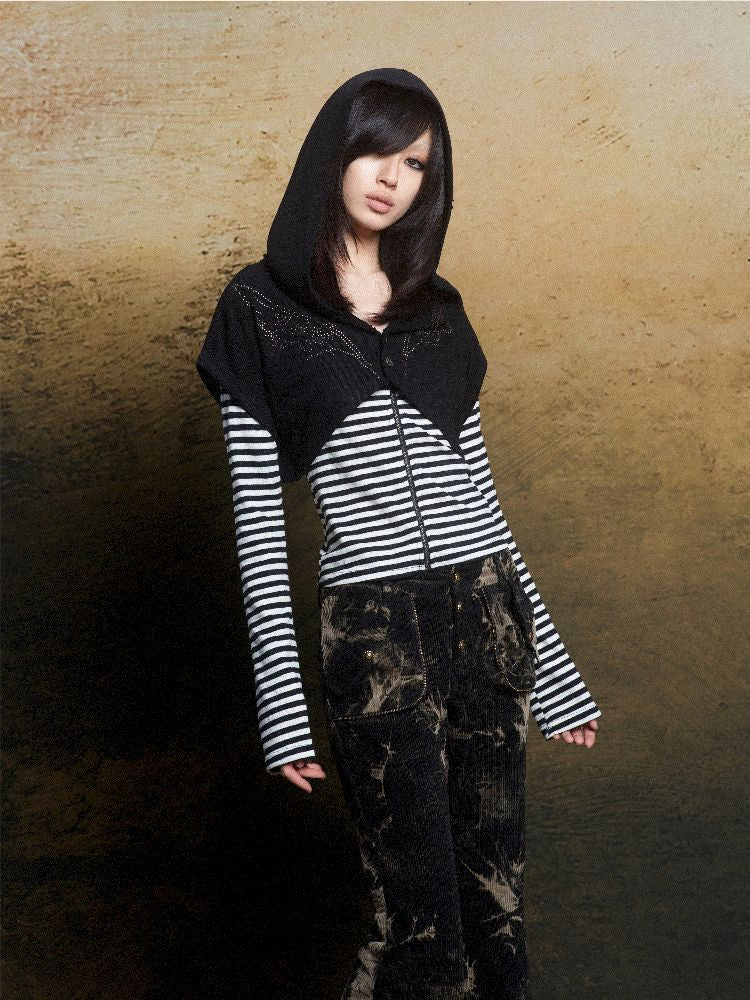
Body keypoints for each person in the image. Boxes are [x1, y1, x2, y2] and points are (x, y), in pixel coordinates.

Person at [196, 67, 602, 1000]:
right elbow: (259, 529)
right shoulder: (260, 309)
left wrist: (556, 674)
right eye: (376, 150)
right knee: (417, 926)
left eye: (416, 163)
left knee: (497, 913)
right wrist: (282, 709)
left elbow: (484, 508)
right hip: (376, 639)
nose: (392, 177)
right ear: (332, 155)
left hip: (486, 624)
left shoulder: (438, 312)